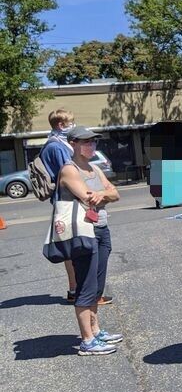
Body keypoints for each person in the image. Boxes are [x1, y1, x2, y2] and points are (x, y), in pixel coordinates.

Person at [58, 126, 122, 356]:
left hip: (101, 229)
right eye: (86, 142)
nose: (91, 145)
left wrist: (102, 194)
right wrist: (104, 194)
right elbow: (87, 198)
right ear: (73, 144)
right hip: (83, 233)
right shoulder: (69, 169)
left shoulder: (94, 168)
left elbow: (115, 193)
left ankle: (95, 330)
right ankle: (87, 340)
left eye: (93, 142)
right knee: (85, 285)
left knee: (97, 285)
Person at [40, 109, 113, 305]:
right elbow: (72, 175)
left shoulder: (53, 143)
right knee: (80, 249)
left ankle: (80, 291)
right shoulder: (56, 146)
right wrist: (100, 193)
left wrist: (102, 193)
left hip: (73, 201)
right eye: (70, 123)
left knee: (79, 249)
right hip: (72, 203)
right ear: (61, 125)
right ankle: (82, 292)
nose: (72, 125)